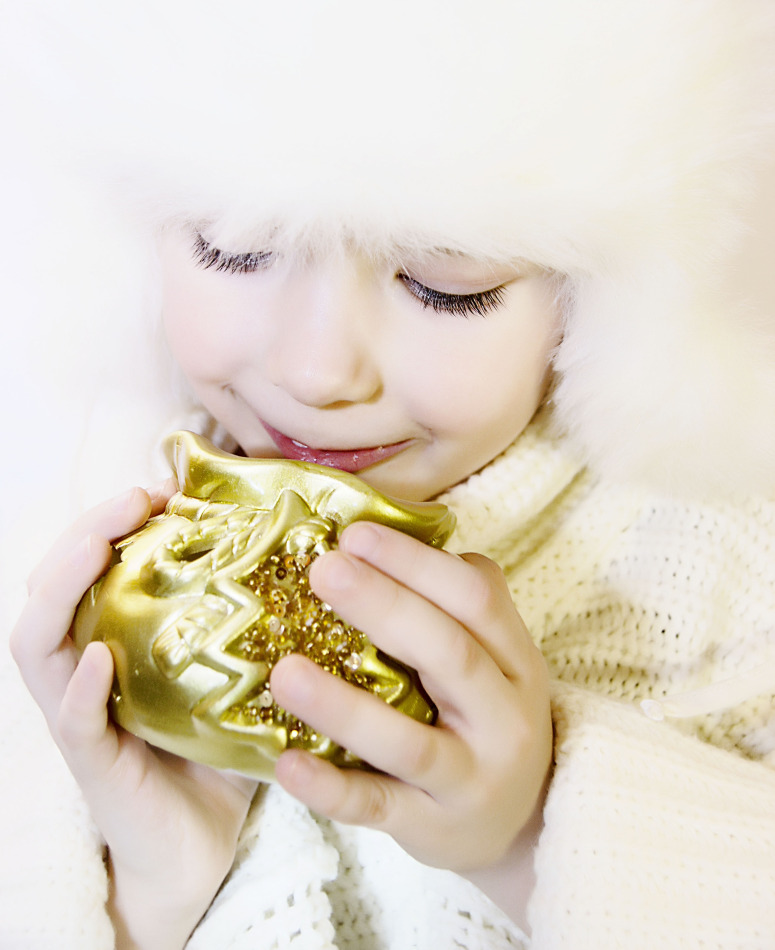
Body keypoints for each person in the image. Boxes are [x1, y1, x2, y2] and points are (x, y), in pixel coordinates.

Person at [1, 2, 774, 948]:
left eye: (447, 286)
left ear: (607, 303)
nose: (317, 374)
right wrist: (149, 887)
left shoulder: (719, 578)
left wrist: (528, 840)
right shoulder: (75, 513)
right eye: (233, 245)